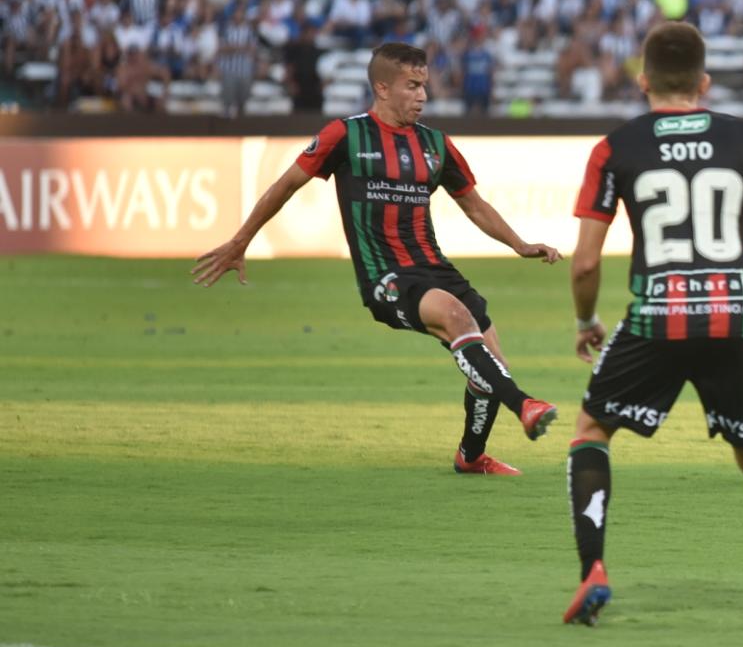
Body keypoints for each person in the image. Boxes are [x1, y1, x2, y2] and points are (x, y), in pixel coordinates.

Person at [562, 22, 743, 629]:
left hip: (655, 319)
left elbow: (584, 260)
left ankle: (594, 573)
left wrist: (586, 318)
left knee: (590, 431)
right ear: (704, 82)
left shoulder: (614, 148)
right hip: (734, 316)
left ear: (643, 82)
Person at [192, 42, 562, 474]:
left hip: (435, 268)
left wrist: (518, 243)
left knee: (490, 365)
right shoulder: (345, 135)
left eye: (424, 85)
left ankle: (471, 456)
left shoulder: (436, 145)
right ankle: (525, 405)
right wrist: (241, 240)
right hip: (385, 276)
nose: (422, 95)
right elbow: (285, 185)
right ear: (382, 88)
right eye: (412, 85)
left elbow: (474, 205)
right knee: (460, 320)